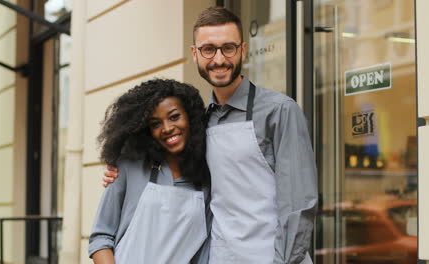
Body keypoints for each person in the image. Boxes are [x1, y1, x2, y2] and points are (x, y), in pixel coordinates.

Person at [103, 7, 317, 264]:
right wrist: (120, 166)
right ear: (195, 54)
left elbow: (299, 205)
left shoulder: (279, 111)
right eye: (208, 49)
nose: (219, 59)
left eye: (228, 48)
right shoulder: (199, 122)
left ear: (243, 50)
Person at [89, 79, 211, 264]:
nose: (168, 128)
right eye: (155, 124)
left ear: (190, 117)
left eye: (174, 116)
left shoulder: (206, 178)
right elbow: (100, 238)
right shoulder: (129, 166)